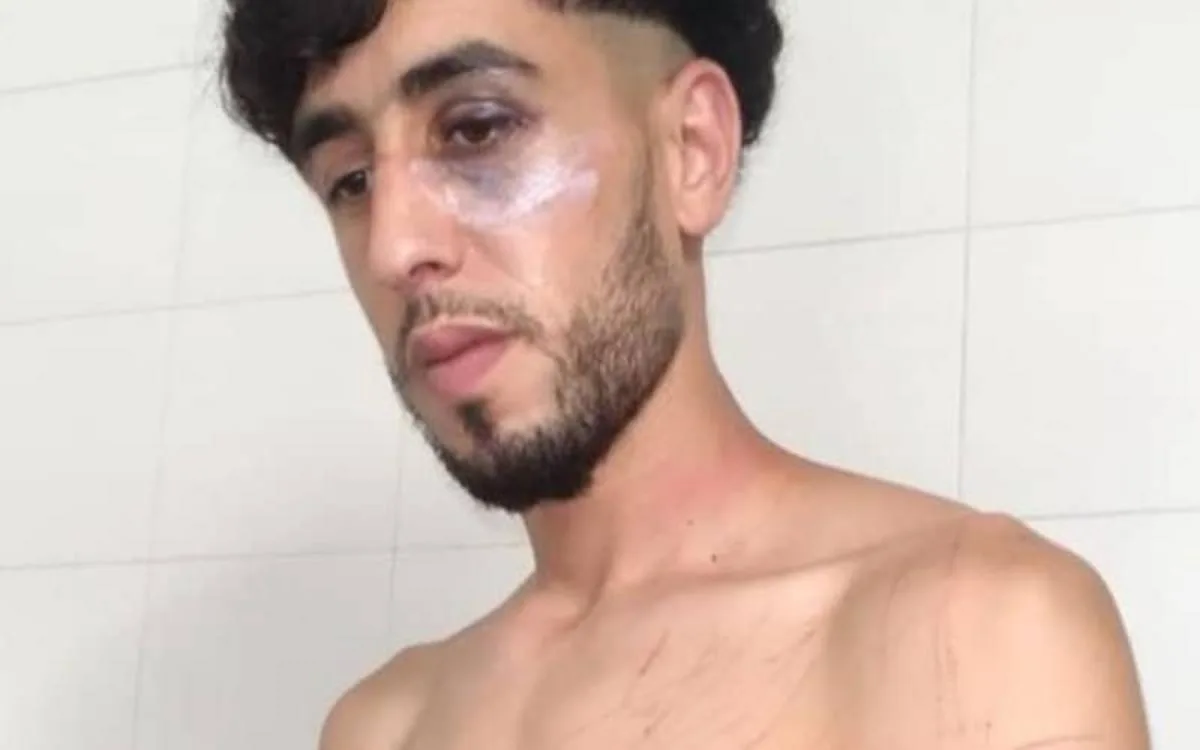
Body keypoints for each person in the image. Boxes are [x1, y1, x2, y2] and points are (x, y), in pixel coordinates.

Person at [218, 0, 1151, 747]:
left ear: (691, 152)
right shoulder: (387, 726)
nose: (394, 247)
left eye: (475, 130)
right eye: (350, 181)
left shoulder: (977, 635)